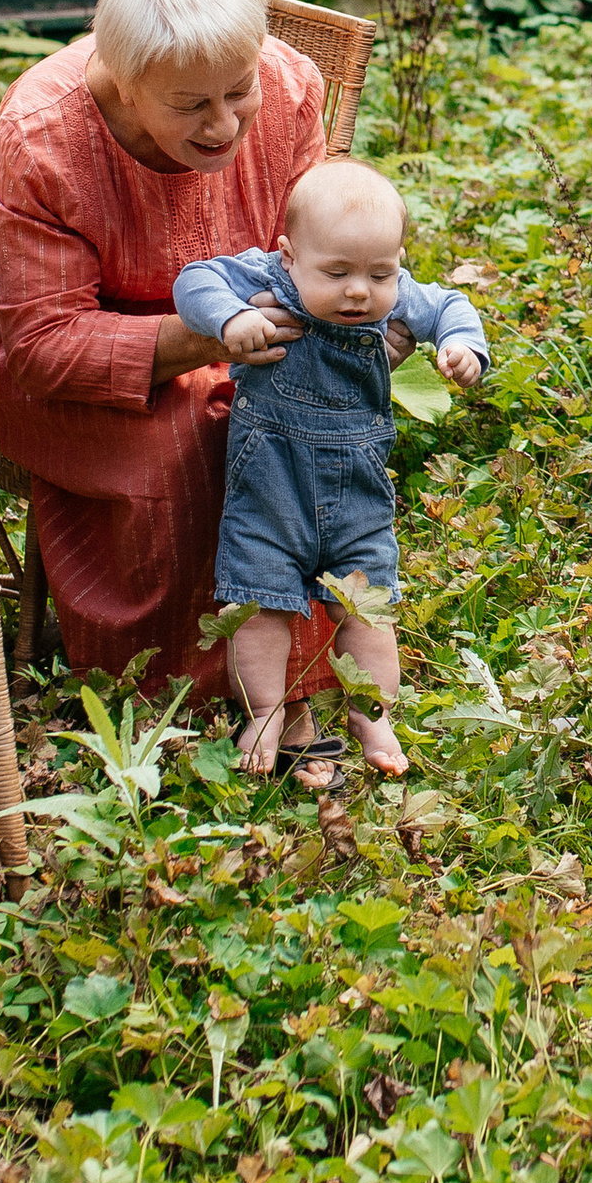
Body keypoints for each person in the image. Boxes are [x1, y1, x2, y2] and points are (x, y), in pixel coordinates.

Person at [0, 0, 341, 738]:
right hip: (86, 364)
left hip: (252, 339)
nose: (224, 125)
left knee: (297, 428)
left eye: (237, 90)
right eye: (190, 106)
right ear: (122, 77)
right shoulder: (45, 136)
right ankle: (167, 699)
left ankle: (291, 691)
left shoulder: (288, 88)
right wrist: (205, 343)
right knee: (182, 445)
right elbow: (42, 346)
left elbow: (318, 242)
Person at [172, 159, 488, 775]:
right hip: (269, 491)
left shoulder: (394, 295)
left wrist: (461, 345)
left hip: (358, 502)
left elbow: (450, 303)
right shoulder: (266, 279)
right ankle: (264, 712)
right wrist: (232, 319)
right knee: (260, 608)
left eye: (380, 273)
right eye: (337, 272)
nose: (359, 292)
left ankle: (373, 713)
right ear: (288, 256)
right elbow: (195, 280)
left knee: (368, 613)